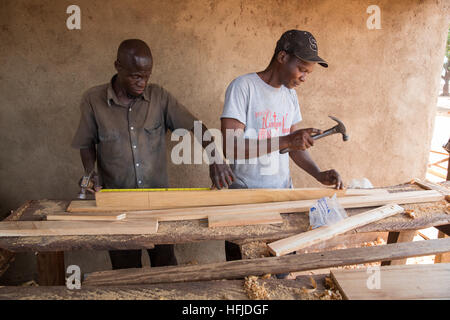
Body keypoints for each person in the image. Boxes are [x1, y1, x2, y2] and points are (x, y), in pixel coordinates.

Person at [72, 39, 234, 269]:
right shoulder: (93, 100)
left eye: (146, 76)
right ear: (118, 66)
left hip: (158, 202)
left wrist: (216, 158)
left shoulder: (158, 97)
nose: (142, 82)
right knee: (125, 269)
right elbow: (85, 143)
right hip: (117, 203)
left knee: (165, 264)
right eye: (135, 76)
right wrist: (89, 172)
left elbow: (196, 126)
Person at [220, 30, 344, 265]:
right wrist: (287, 140)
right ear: (282, 57)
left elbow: (294, 147)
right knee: (244, 275)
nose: (304, 77)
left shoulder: (290, 96)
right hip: (245, 201)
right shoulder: (244, 87)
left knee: (281, 272)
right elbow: (231, 146)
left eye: (308, 72)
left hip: (282, 199)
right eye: (302, 69)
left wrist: (318, 174)